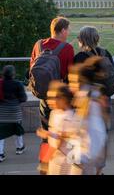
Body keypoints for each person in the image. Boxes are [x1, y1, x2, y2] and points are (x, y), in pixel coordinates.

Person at [30, 17, 74, 173]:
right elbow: (70, 76)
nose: (68, 33)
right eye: (67, 30)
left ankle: (44, 166)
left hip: (43, 97)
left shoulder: (38, 45)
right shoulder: (67, 48)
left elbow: (32, 69)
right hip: (60, 99)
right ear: (62, 30)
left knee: (46, 136)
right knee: (62, 137)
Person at [68, 57, 109, 175]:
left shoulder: (85, 96)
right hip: (92, 148)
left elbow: (81, 126)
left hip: (86, 151)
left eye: (73, 82)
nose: (70, 86)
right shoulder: (96, 93)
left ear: (81, 81)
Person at [36, 82, 79, 175]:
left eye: (52, 98)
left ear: (63, 99)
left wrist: (45, 161)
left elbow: (57, 142)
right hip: (58, 158)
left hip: (62, 160)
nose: (48, 101)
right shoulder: (55, 113)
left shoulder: (66, 117)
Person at [0, 66, 27, 163]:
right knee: (17, 129)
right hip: (14, 111)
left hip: (2, 112)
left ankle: (0, 154)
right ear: (13, 74)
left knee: (1, 133)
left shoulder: (0, 83)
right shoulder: (18, 84)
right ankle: (19, 148)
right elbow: (23, 99)